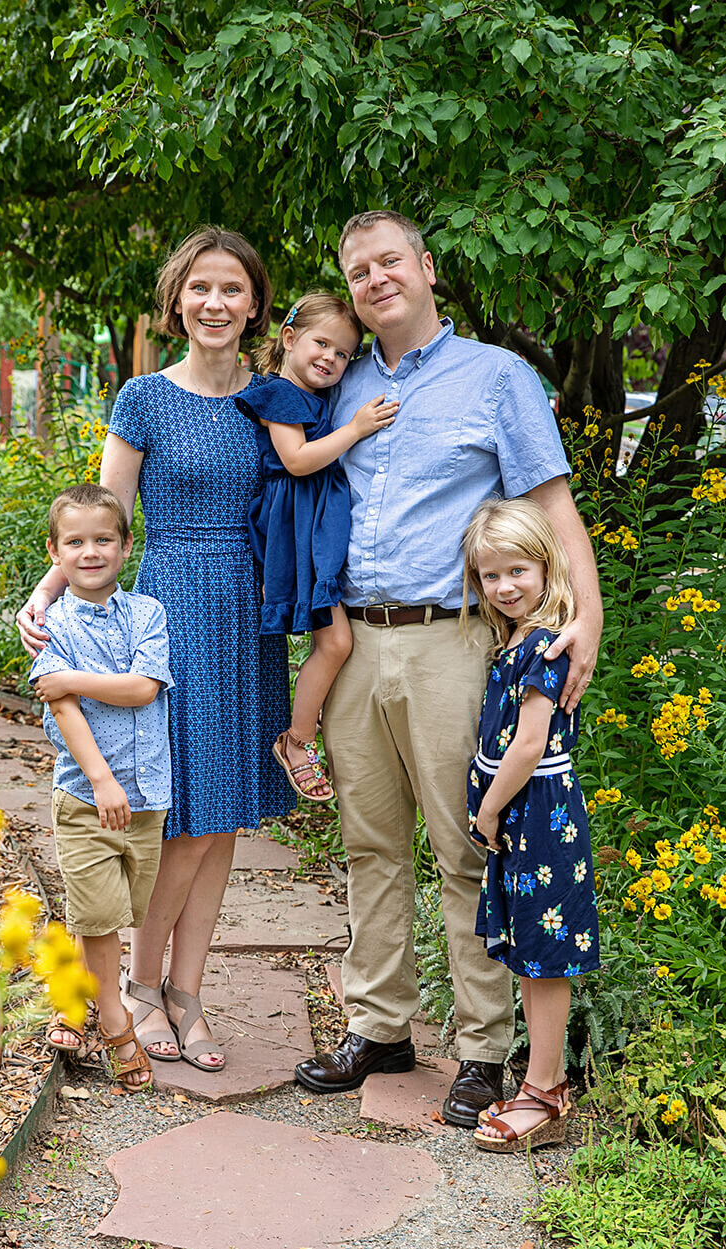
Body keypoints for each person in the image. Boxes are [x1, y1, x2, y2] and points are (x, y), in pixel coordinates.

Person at [294, 210, 602, 1128]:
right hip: (351, 640)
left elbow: (550, 501)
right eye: (357, 271)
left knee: (470, 842)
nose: (374, 279)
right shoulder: (337, 380)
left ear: (426, 268)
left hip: (450, 640)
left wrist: (584, 617)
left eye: (389, 261)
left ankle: (479, 1049)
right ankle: (378, 1025)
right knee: (370, 841)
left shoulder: (496, 377)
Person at [17, 228, 294, 1072]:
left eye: (232, 289)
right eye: (199, 288)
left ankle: (188, 993)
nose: (215, 303)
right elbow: (98, 518)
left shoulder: (275, 398)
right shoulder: (142, 395)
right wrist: (45, 593)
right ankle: (140, 990)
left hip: (249, 614)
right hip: (170, 608)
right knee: (179, 817)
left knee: (225, 820)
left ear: (255, 304)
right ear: (177, 299)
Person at [461, 496, 599, 1152]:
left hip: (537, 815)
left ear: (546, 567)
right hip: (522, 818)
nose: (504, 586)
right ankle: (540, 1080)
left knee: (543, 956)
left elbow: (529, 743)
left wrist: (487, 807)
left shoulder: (544, 644)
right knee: (527, 952)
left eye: (517, 570)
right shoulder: (512, 639)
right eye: (490, 575)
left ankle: (545, 1090)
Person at [31, 483, 173, 1092]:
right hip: (88, 797)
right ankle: (115, 1026)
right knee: (98, 919)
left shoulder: (147, 612)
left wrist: (72, 679)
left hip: (149, 798)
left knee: (123, 910)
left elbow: (145, 688)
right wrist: (102, 779)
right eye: (76, 542)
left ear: (125, 546)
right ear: (55, 553)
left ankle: (76, 991)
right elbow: (60, 711)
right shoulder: (48, 625)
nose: (90, 552)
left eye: (103, 540)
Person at [235, 293, 398, 802]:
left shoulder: (315, 393)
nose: (330, 358)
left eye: (344, 353)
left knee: (333, 641)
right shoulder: (282, 394)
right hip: (293, 532)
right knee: (335, 641)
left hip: (313, 528)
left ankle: (308, 728)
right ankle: (298, 739)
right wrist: (355, 429)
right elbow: (299, 459)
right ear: (289, 338)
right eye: (321, 343)